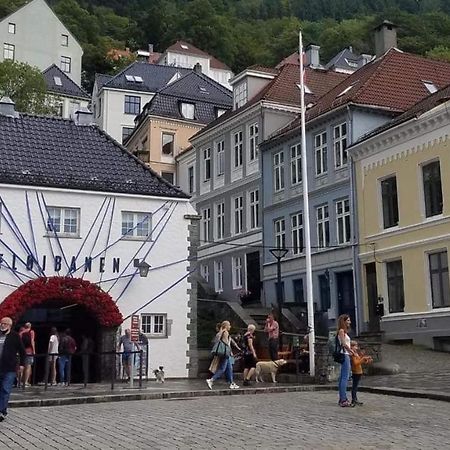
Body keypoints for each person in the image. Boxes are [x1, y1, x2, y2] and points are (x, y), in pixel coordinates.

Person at [0, 317, 26, 422]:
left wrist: (22, 365)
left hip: (9, 368)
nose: (2, 325)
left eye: (5, 324)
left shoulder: (15, 336)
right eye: (1, 323)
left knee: (5, 389)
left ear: (10, 325)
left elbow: (22, 351)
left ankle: (1, 411)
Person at [207, 321, 239, 390]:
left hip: (222, 353)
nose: (230, 327)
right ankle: (211, 380)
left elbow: (217, 340)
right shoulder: (226, 332)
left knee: (229, 368)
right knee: (222, 368)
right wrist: (230, 352)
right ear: (226, 326)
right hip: (225, 353)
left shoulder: (220, 332)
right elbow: (226, 343)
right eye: (229, 325)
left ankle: (232, 383)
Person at [336, 314, 355, 407]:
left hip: (346, 354)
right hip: (344, 354)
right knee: (345, 377)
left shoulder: (344, 332)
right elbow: (343, 344)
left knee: (343, 377)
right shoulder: (341, 331)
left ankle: (342, 398)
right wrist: (351, 351)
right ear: (343, 321)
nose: (349, 322)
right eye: (348, 320)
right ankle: (343, 399)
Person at [350, 340, 373, 406]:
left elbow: (359, 361)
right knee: (354, 386)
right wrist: (363, 359)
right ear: (351, 347)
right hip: (356, 372)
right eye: (355, 346)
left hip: (359, 371)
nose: (356, 347)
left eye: (356, 346)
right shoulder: (353, 354)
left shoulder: (356, 353)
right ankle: (354, 400)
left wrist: (366, 360)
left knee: (355, 386)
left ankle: (355, 399)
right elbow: (355, 363)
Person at [19, 322, 35, 387]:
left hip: (22, 351)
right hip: (29, 350)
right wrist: (34, 350)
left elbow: (19, 343)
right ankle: (25, 382)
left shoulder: (21, 333)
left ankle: (20, 381)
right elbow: (32, 341)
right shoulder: (31, 332)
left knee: (21, 366)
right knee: (28, 366)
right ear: (30, 326)